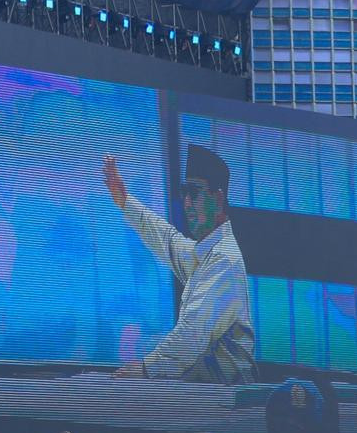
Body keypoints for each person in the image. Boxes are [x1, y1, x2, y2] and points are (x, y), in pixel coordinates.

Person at [105, 146, 255, 385]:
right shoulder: (206, 255)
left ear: (217, 198)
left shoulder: (225, 261)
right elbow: (167, 240)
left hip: (227, 398)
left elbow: (192, 334)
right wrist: (125, 201)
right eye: (184, 192)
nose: (186, 203)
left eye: (194, 193)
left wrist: (146, 368)